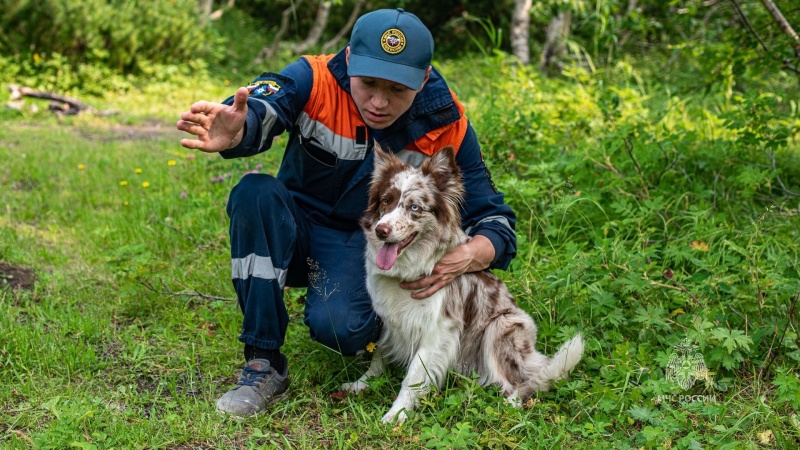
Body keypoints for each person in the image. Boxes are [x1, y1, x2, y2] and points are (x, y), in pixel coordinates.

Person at [176, 8, 517, 417]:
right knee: (255, 192)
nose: (378, 101)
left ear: (423, 79)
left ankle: (370, 331)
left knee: (342, 329)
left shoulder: (446, 121)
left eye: (396, 89)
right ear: (351, 59)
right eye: (368, 82)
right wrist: (243, 128)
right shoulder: (314, 77)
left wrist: (469, 255)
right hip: (297, 225)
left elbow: (495, 219)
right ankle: (263, 361)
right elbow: (268, 104)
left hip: (367, 245)